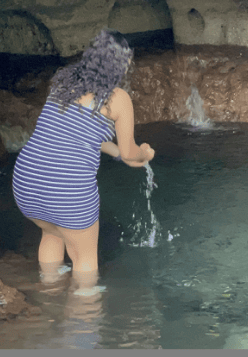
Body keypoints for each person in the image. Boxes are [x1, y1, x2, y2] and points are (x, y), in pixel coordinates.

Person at [12, 29, 155, 287]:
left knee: (52, 233)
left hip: (27, 181)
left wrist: (113, 153)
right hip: (68, 191)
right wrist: (145, 152)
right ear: (121, 65)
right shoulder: (117, 99)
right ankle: (83, 323)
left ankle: (48, 301)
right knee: (85, 262)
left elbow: (74, 135)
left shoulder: (63, 84)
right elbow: (130, 153)